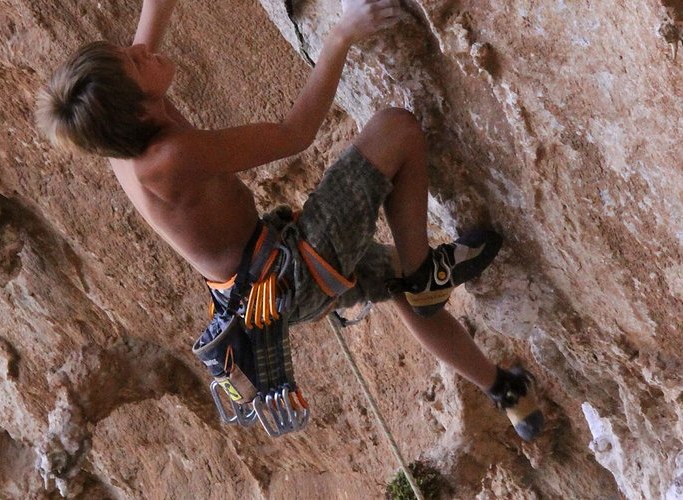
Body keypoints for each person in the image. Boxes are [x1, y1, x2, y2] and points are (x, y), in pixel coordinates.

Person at [36, 0, 543, 440]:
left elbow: (152, 20)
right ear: (142, 110)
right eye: (134, 61)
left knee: (388, 284)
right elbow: (293, 133)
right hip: (289, 275)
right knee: (397, 129)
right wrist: (342, 32)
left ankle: (505, 389)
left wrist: (137, 57)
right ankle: (425, 274)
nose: (141, 48)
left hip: (263, 285)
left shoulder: (119, 127)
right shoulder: (169, 157)